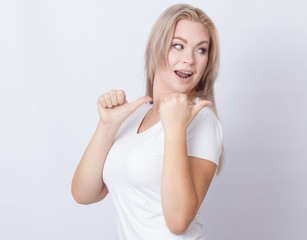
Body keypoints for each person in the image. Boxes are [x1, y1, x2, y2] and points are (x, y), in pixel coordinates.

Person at [71, 3, 224, 239]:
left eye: (201, 50)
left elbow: (179, 222)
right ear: (156, 48)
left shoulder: (201, 120)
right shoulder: (134, 115)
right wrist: (107, 126)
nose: (189, 60)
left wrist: (174, 129)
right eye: (178, 45)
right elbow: (84, 194)